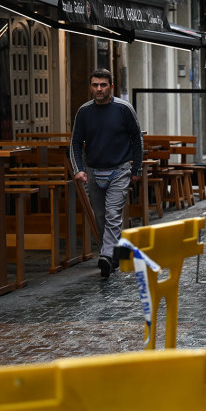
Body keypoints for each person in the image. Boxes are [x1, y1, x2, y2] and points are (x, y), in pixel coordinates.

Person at [70, 69, 143, 278]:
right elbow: (75, 141)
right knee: (100, 217)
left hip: (119, 170)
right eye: (95, 85)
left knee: (112, 214)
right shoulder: (84, 112)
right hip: (93, 171)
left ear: (111, 86)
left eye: (103, 85)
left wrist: (136, 168)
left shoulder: (123, 109)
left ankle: (105, 255)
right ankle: (112, 256)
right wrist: (79, 169)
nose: (99, 89)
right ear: (90, 87)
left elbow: (137, 138)